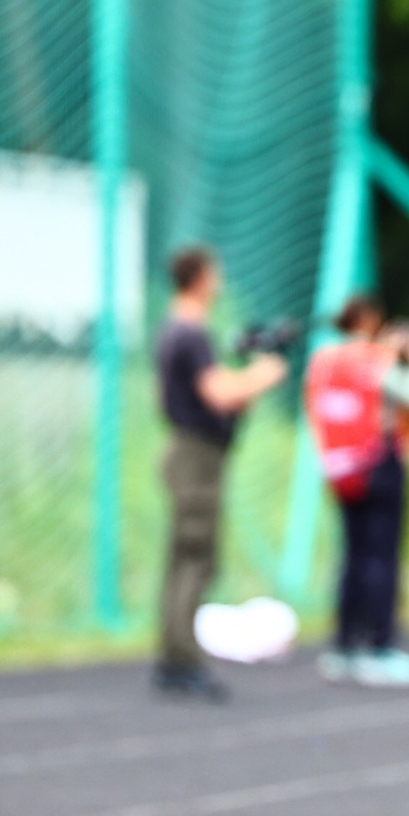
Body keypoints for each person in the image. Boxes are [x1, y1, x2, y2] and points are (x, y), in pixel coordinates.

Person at [154, 245, 288, 699]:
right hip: (197, 456)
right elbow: (219, 394)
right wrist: (263, 374)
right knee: (195, 557)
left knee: (184, 559)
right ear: (199, 277)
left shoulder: (170, 330)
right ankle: (182, 658)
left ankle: (176, 654)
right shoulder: (191, 333)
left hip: (186, 450)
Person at [304, 292, 409, 686]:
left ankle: (344, 645)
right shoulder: (375, 359)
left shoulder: (324, 360)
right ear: (371, 321)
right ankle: (379, 646)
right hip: (379, 463)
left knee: (353, 555)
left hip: (340, 467)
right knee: (381, 556)